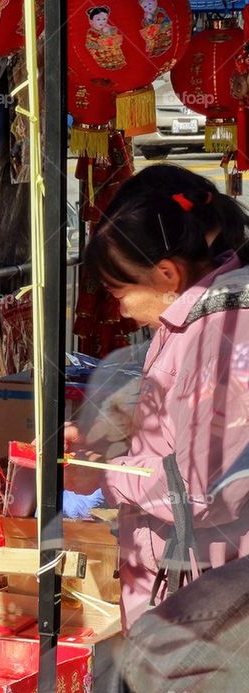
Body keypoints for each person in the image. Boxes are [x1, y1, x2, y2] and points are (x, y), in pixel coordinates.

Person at [66, 164, 249, 631]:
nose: (121, 310)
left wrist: (108, 477)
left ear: (166, 273)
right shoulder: (194, 320)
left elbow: (203, 487)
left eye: (120, 292)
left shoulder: (217, 336)